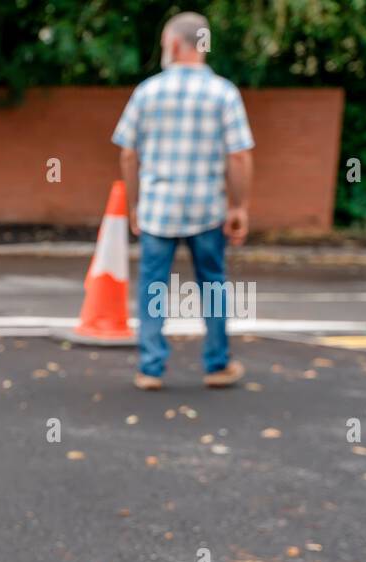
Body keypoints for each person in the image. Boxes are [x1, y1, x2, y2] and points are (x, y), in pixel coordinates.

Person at [112, 11, 254, 391]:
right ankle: (216, 364)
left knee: (153, 286)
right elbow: (239, 155)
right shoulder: (224, 92)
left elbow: (128, 152)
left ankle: (151, 368)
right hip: (207, 209)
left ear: (175, 45)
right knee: (212, 286)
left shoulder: (147, 91)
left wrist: (134, 204)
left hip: (158, 208)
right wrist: (238, 207)